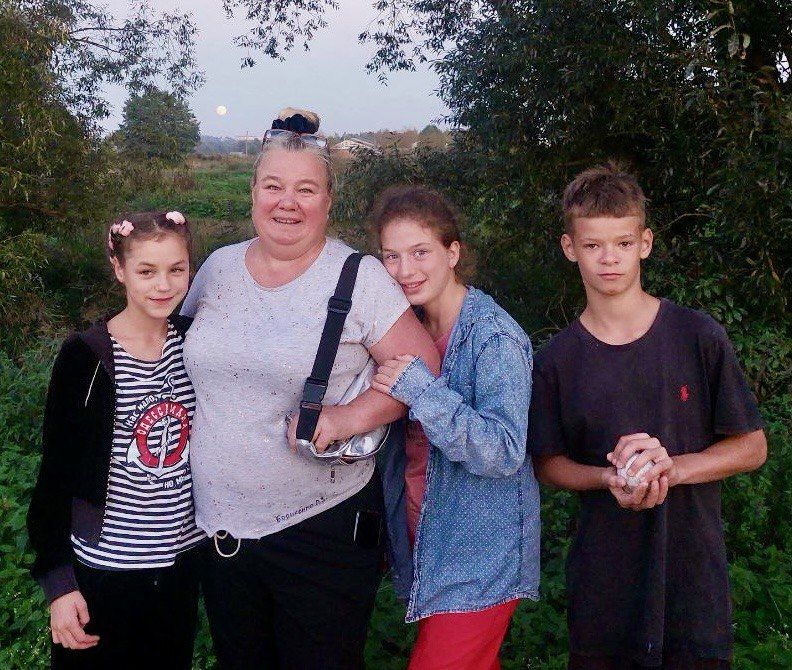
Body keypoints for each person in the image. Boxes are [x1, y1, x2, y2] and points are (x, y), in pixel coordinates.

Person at [180, 108, 440, 669]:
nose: (287, 202)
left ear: (328, 201)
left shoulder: (359, 278)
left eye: (306, 189)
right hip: (218, 533)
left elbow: (422, 368)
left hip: (321, 531)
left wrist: (350, 418)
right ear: (253, 192)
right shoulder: (217, 269)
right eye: (273, 186)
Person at [528, 164, 768, 669]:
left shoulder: (698, 336)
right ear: (570, 248)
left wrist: (672, 469)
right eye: (592, 245)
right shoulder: (555, 361)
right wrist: (608, 477)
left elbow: (752, 447)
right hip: (604, 589)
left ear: (645, 243)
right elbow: (547, 464)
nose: (608, 258)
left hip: (693, 585)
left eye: (622, 242)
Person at [368, 185, 540, 670]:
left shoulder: (494, 338)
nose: (405, 270)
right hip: (427, 544)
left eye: (420, 252)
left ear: (453, 253)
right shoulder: (407, 328)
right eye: (392, 256)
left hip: (478, 557)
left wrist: (422, 391)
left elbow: (503, 450)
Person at [27, 211, 205, 669]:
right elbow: (55, 473)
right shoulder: (84, 356)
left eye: (177, 269)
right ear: (119, 269)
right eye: (146, 271)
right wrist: (58, 583)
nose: (163, 285)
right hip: (102, 571)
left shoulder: (198, 345)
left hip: (179, 568)